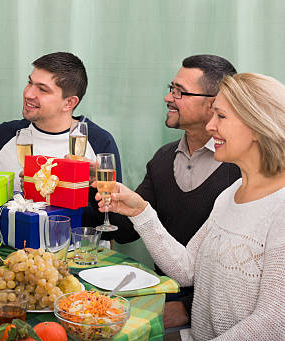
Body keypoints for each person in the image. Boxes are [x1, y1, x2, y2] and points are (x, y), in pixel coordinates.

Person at [97, 73, 285, 339]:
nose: (210, 127)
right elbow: (186, 270)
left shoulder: (280, 209)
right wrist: (141, 211)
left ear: (256, 125)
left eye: (221, 116)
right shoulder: (230, 195)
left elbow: (272, 323)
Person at [109, 55, 240, 329]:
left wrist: (187, 308)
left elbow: (241, 278)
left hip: (211, 312)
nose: (168, 97)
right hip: (164, 292)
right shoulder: (164, 158)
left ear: (213, 103)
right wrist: (93, 189)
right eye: (171, 88)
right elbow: (125, 232)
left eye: (179, 92)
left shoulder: (242, 170)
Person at [0, 52, 121, 227]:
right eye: (30, 82)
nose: (29, 93)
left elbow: (117, 225)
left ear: (69, 103)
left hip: (77, 252)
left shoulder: (99, 141)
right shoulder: (0, 136)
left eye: (42, 89)